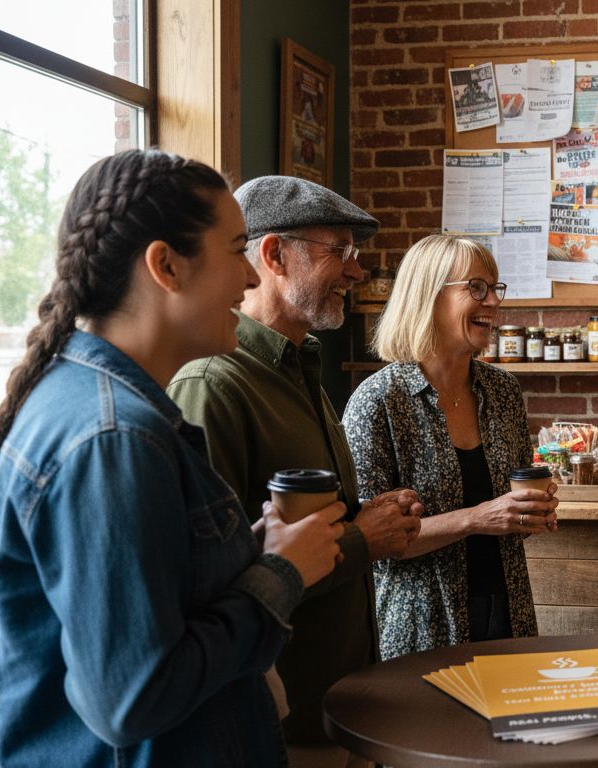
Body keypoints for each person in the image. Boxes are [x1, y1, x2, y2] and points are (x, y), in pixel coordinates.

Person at [0, 149, 345, 767]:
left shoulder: (118, 412)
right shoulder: (113, 439)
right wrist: (280, 576)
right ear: (166, 266)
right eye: (238, 250)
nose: (248, 278)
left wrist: (257, 552)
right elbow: (132, 699)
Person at [167, 175, 423, 767]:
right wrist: (364, 540)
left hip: (344, 711)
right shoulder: (212, 384)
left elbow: (297, 523)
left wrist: (371, 516)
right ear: (274, 255)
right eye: (340, 250)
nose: (357, 272)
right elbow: (218, 581)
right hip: (277, 732)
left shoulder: (301, 370)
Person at [343, 234, 558, 659]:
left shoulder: (502, 392)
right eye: (476, 288)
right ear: (427, 296)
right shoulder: (377, 402)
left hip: (508, 612)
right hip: (421, 627)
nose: (493, 302)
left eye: (495, 288)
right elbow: (374, 545)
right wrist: (478, 518)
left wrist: (533, 513)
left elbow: (510, 505)